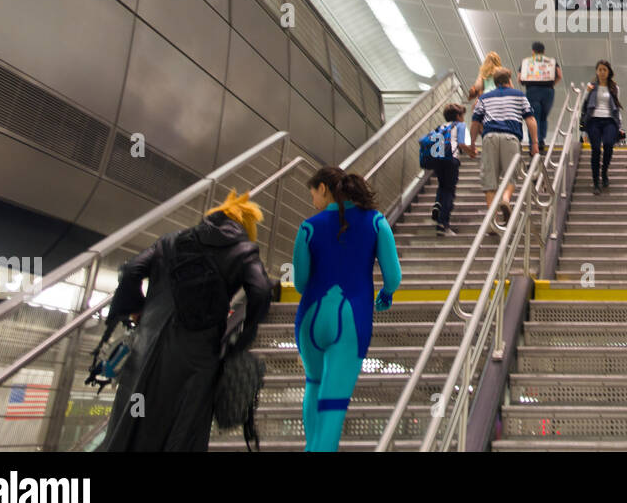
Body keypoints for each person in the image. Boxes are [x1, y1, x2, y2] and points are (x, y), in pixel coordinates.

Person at [100, 190, 272, 452]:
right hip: (198, 354)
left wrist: (137, 310)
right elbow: (261, 292)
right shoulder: (243, 251)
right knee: (185, 425)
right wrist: (241, 340)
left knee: (132, 420)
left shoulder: (171, 240)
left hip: (147, 346)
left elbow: (132, 269)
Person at [293, 167, 401, 452]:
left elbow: (300, 284)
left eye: (313, 193)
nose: (313, 200)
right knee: (333, 403)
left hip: (309, 318)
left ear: (324, 189)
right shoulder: (376, 222)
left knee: (313, 386)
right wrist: (386, 293)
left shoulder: (307, 228)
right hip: (352, 319)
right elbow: (393, 277)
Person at [470, 68, 540, 223]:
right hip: (511, 137)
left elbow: (475, 122)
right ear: (509, 81)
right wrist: (534, 143)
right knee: (511, 175)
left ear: (494, 83)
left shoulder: (485, 97)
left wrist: (473, 143)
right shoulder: (520, 95)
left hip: (489, 138)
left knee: (490, 181)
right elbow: (531, 120)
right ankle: (506, 199)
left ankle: (493, 222)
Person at [430, 103, 477, 236]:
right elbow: (461, 144)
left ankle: (437, 205)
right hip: (452, 161)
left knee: (442, 187)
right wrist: (472, 152)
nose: (463, 118)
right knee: (449, 191)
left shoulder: (440, 127)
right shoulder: (460, 126)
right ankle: (443, 224)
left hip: (439, 162)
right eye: (462, 115)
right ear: (458, 116)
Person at [581, 59, 624, 196]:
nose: (602, 72)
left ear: (609, 72)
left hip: (609, 120)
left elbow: (616, 107)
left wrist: (620, 125)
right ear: (596, 71)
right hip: (593, 120)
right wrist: (586, 92)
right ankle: (596, 182)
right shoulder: (591, 86)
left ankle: (604, 172)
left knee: (609, 145)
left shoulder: (614, 87)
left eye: (604, 69)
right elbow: (584, 103)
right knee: (595, 150)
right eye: (599, 69)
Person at [517, 41, 562, 151]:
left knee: (533, 116)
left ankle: (533, 142)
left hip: (532, 91)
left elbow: (519, 78)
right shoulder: (551, 61)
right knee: (543, 117)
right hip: (548, 91)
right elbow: (559, 75)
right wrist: (551, 85)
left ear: (533, 51)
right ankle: (541, 140)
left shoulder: (526, 62)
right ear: (544, 51)